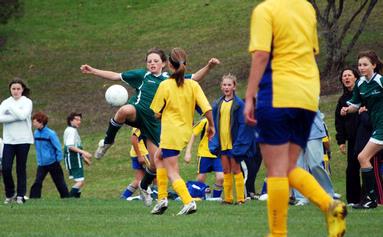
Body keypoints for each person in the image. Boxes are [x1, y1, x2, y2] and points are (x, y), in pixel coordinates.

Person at [244, 1, 347, 236]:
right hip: (307, 94)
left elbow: (261, 54)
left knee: (277, 169)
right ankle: (331, 206)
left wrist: (249, 96)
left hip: (278, 91)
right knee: (288, 166)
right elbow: (310, 52)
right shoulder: (306, 8)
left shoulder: (266, 10)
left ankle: (278, 233)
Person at [80, 48, 219, 206]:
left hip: (155, 123)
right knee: (124, 110)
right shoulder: (142, 75)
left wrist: (208, 67)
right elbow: (115, 75)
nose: (152, 64)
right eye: (149, 61)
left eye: (156, 61)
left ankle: (144, 186)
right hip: (138, 113)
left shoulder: (170, 79)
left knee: (154, 164)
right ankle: (107, 142)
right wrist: (93, 71)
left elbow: (194, 77)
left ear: (164, 64)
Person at [150, 47, 214, 215]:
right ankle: (162, 199)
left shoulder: (165, 85)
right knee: (158, 156)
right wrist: (212, 126)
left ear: (169, 65)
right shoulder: (193, 85)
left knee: (172, 171)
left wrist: (161, 114)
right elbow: (207, 109)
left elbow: (156, 112)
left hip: (171, 132)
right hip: (184, 132)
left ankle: (188, 201)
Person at [340, 50, 383, 209]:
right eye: (359, 65)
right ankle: (371, 199)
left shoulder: (380, 81)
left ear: (374, 65)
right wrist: (347, 109)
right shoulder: (360, 84)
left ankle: (371, 199)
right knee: (363, 158)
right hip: (377, 128)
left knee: (363, 157)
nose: (362, 67)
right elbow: (356, 105)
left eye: (365, 64)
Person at [209, 74, 256, 205]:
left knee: (236, 169)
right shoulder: (218, 103)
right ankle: (228, 199)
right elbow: (213, 122)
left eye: (229, 85)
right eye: (224, 85)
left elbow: (243, 124)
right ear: (221, 86)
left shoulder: (239, 104)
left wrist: (239, 143)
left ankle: (241, 199)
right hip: (222, 143)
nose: (226, 87)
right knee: (225, 170)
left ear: (234, 86)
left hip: (234, 143)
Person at [292, 111, 336, 206]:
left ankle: (328, 194)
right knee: (298, 167)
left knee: (315, 165)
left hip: (313, 131)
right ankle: (301, 197)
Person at [0, 79, 33, 204]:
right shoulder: (5, 102)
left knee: (21, 168)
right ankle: (10, 194)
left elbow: (23, 116)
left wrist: (11, 111)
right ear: (10, 89)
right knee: (6, 168)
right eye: (13, 89)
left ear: (22, 89)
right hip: (9, 140)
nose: (16, 91)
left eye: (18, 89)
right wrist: (14, 115)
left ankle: (20, 195)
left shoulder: (27, 102)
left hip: (24, 139)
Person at [335, 67, 361, 205]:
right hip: (351, 139)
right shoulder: (342, 100)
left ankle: (372, 196)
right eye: (344, 76)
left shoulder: (363, 94)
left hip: (367, 136)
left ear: (355, 78)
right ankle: (353, 199)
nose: (346, 78)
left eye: (349, 75)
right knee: (352, 168)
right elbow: (339, 122)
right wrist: (341, 141)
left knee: (368, 166)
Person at [29, 112, 70, 199]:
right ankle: (34, 199)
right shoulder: (35, 133)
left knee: (59, 182)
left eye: (35, 122)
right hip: (41, 164)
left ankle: (66, 198)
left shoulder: (50, 133)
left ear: (41, 122)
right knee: (38, 181)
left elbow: (58, 147)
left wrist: (58, 159)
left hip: (53, 163)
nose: (33, 124)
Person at [184, 117, 223, 199]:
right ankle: (199, 195)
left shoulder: (224, 121)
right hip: (204, 154)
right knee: (200, 179)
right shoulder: (205, 121)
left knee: (220, 177)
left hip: (218, 155)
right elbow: (193, 133)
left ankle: (215, 198)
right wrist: (188, 152)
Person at [63, 112, 92, 198]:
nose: (79, 121)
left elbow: (75, 145)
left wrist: (83, 157)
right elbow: (70, 146)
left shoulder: (71, 130)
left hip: (75, 157)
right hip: (73, 158)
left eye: (80, 120)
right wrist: (84, 153)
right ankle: (69, 198)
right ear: (71, 121)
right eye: (77, 119)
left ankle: (75, 200)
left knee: (80, 181)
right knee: (80, 181)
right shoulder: (71, 131)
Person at [120, 127, 150, 199]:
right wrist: (140, 156)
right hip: (143, 154)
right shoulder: (141, 122)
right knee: (155, 176)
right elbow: (134, 139)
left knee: (139, 180)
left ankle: (124, 196)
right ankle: (156, 196)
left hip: (136, 154)